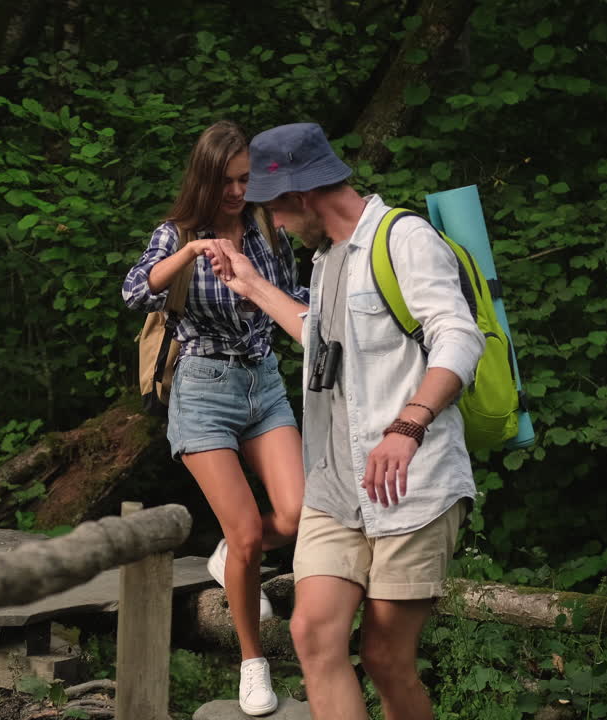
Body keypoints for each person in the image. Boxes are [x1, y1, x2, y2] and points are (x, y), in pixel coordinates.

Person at [206, 122, 483, 720]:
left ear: (302, 197)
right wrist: (250, 285)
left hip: (414, 490)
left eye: (274, 211)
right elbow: (321, 339)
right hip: (337, 489)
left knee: (385, 657)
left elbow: (459, 338)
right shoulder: (328, 260)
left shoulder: (403, 241)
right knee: (312, 634)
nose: (272, 225)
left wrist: (408, 426)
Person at [122, 120, 308, 716]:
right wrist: (191, 253)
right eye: (228, 181)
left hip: (263, 383)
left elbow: (294, 299)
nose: (237, 191)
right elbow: (134, 292)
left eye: (246, 180)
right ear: (205, 178)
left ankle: (231, 557)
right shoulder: (176, 233)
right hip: (202, 388)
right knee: (249, 530)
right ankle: (252, 665)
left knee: (299, 514)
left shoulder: (265, 230)